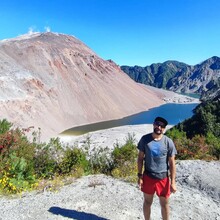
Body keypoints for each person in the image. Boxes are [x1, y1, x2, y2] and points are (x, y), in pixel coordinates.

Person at [137, 116, 177, 220]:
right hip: (148, 176)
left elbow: (172, 163)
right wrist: (140, 176)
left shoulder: (168, 142)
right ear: (154, 124)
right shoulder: (145, 139)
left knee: (164, 204)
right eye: (157, 124)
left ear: (164, 128)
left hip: (163, 178)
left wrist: (173, 182)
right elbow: (140, 158)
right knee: (147, 202)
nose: (159, 127)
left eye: (162, 126)